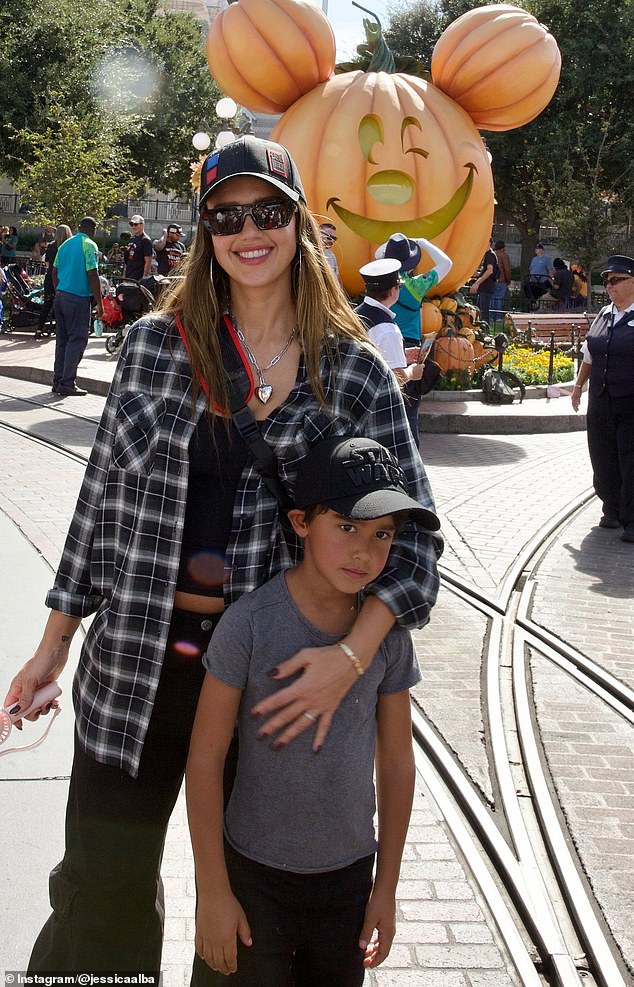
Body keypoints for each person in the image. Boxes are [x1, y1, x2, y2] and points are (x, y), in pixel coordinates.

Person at [6, 135, 441, 974]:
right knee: (101, 899)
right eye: (226, 215)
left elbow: (417, 545)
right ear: (205, 230)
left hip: (271, 681)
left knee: (246, 926)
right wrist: (52, 644)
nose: (249, 231)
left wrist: (353, 658)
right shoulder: (153, 347)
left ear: (299, 225)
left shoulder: (350, 373)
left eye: (268, 212)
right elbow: (99, 507)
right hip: (134, 661)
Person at [187, 435, 428, 986]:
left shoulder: (386, 637)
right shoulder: (249, 624)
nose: (365, 552)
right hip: (253, 879)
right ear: (300, 523)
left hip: (347, 883)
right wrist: (213, 891)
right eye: (346, 527)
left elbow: (396, 762)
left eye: (383, 534)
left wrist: (385, 888)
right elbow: (203, 759)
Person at [571, 255, 634, 543]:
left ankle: (632, 519)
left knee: (630, 459)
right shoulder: (604, 315)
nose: (610, 286)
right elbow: (590, 353)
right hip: (601, 398)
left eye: (617, 280)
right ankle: (612, 508)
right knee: (602, 455)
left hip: (630, 400)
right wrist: (578, 386)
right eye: (607, 281)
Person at [354, 257, 428, 442]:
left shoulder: (354, 315)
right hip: (379, 409)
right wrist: (413, 371)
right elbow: (395, 377)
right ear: (392, 290)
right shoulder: (388, 329)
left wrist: (401, 355)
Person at [51, 217, 103, 396]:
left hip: (61, 296)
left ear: (78, 227)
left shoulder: (64, 244)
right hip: (78, 298)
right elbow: (92, 274)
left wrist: (60, 290)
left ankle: (58, 380)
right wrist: (99, 302)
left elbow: (54, 272)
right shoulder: (89, 245)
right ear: (93, 229)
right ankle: (67, 382)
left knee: (63, 340)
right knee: (78, 339)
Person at [36, 224, 72, 340]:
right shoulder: (69, 246)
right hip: (63, 277)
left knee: (47, 304)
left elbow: (46, 261)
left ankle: (39, 329)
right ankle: (61, 330)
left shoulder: (51, 246)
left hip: (50, 276)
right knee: (64, 305)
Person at [469, 236, 498, 327]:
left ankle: (485, 331)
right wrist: (476, 274)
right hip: (484, 288)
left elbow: (490, 270)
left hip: (486, 287)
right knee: (479, 311)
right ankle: (480, 329)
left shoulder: (489, 255)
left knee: (483, 313)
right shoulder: (488, 255)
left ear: (488, 243)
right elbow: (486, 271)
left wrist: (477, 283)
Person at [123, 213, 153, 280]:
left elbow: (148, 261)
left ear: (142, 224)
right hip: (129, 275)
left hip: (138, 277)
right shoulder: (131, 239)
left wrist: (144, 277)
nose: (133, 227)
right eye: (131, 224)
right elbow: (127, 259)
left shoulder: (146, 240)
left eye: (136, 224)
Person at [491, 239, 512, 325]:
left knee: (492, 298)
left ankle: (491, 316)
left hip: (491, 279)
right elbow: (506, 269)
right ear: (503, 248)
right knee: (499, 298)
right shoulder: (504, 255)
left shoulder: (492, 254)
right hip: (501, 279)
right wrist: (508, 280)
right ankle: (499, 317)